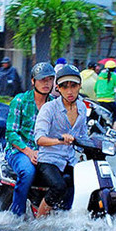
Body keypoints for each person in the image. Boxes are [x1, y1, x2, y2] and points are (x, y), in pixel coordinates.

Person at [33, 64, 88, 218]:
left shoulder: (82, 108)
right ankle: (39, 220)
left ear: (80, 86)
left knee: (81, 183)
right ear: (58, 88)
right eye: (64, 87)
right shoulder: (49, 108)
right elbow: (39, 139)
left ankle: (65, 216)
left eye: (73, 85)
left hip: (69, 160)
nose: (69, 91)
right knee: (59, 186)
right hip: (49, 160)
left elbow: (83, 135)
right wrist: (60, 140)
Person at [4, 62, 56, 217]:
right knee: (27, 172)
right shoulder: (20, 101)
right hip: (19, 150)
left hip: (44, 151)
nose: (46, 83)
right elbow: (11, 133)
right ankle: (17, 216)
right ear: (33, 81)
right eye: (42, 80)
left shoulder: (54, 104)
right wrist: (29, 152)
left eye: (50, 79)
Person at [95, 60, 116, 130]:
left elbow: (95, 88)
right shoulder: (114, 76)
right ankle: (114, 127)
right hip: (109, 101)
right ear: (114, 69)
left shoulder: (100, 76)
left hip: (99, 101)